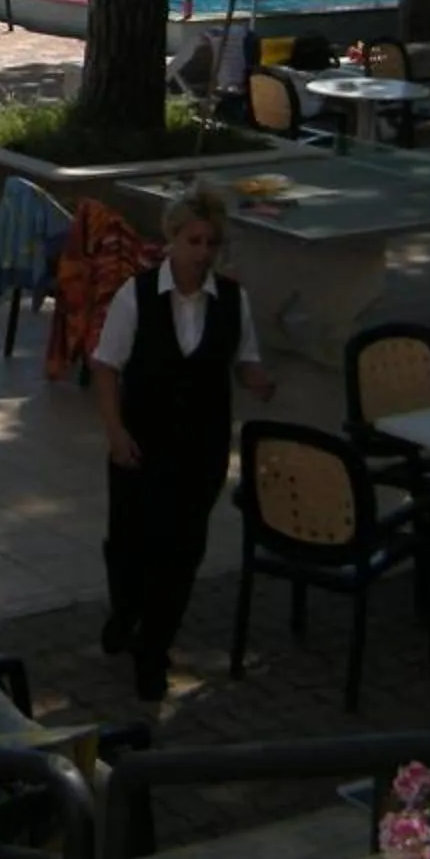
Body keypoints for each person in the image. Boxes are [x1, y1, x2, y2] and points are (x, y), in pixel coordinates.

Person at [91, 184, 276, 701]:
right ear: (171, 240)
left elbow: (244, 358)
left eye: (210, 243)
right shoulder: (139, 295)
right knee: (129, 545)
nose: (202, 253)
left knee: (181, 548)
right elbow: (106, 366)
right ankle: (125, 611)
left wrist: (260, 380)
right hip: (141, 442)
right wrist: (115, 431)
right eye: (193, 242)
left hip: (201, 446)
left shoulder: (232, 301)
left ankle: (154, 648)